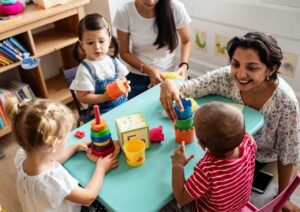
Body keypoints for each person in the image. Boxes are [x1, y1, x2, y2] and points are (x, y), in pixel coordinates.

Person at [160, 32, 300, 211]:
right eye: (235, 64)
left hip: (256, 157)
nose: (240, 74)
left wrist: (283, 196)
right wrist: (168, 84)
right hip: (234, 151)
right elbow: (188, 88)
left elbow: (287, 153)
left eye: (252, 67)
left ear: (271, 69)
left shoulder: (285, 102)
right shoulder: (226, 77)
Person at [5, 97, 120, 212]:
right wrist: (101, 169)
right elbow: (88, 197)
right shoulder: (52, 180)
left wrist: (75, 147)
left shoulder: (22, 155)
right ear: (52, 145)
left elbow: (53, 160)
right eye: (65, 137)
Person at [161, 102, 257, 211]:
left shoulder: (207, 170)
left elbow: (181, 198)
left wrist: (177, 165)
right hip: (237, 206)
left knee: (164, 205)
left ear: (201, 144)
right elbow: (240, 133)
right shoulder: (249, 142)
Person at [113, 0, 192, 99]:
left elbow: (186, 41)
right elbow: (124, 52)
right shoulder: (124, 12)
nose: (150, 1)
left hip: (169, 74)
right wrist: (148, 69)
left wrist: (184, 66)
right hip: (137, 75)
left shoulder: (176, 8)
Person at [71, 13, 130, 116]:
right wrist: (103, 97)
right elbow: (83, 97)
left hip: (122, 106)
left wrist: (125, 86)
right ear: (82, 44)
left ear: (109, 39)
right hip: (101, 114)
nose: (97, 47)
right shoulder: (84, 69)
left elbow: (123, 79)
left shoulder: (114, 61)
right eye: (90, 43)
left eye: (101, 41)